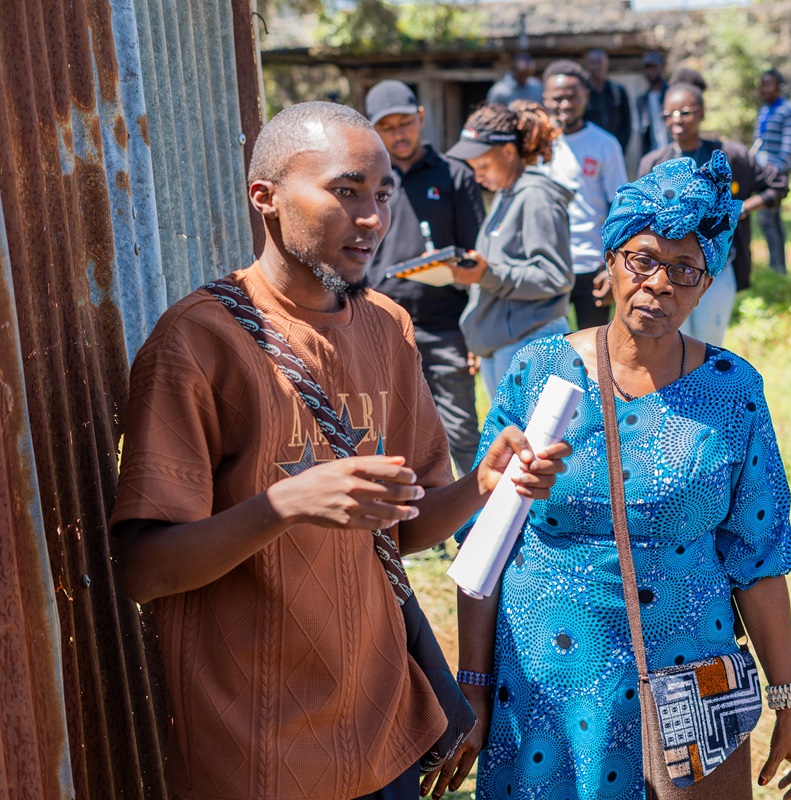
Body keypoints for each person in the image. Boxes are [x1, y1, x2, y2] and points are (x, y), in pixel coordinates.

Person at [108, 100, 570, 800]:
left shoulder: (387, 328)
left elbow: (404, 528)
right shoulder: (199, 344)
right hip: (256, 748)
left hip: (382, 730)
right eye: (345, 190)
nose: (373, 218)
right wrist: (283, 505)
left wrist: (481, 484)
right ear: (264, 196)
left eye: (382, 195)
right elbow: (144, 571)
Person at [435, 152, 791, 800]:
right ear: (609, 264)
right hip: (549, 684)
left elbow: (760, 557)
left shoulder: (734, 390)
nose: (660, 283)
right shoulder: (541, 372)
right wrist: (471, 685)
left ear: (704, 284)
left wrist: (790, 704)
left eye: (684, 269)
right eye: (642, 259)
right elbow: (485, 542)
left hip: (690, 684)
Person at [364, 80, 485, 478]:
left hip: (445, 327)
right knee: (389, 436)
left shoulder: (454, 175)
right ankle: (407, 530)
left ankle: (478, 532)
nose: (398, 135)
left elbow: (475, 257)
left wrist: (474, 329)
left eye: (405, 123)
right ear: (373, 130)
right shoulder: (366, 182)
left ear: (421, 117)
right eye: (387, 127)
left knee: (462, 433)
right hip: (382, 328)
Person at [639, 82, 788, 345]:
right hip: (668, 270)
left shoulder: (729, 155)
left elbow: (777, 185)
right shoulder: (654, 162)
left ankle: (706, 387)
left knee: (706, 345)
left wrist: (740, 209)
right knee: (670, 343)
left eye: (684, 112)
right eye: (668, 114)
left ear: (702, 113)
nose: (676, 120)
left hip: (716, 270)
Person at [445, 101, 573, 397]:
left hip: (529, 345)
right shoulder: (506, 194)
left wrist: (488, 274)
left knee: (532, 444)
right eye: (474, 168)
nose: (478, 177)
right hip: (502, 346)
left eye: (483, 165)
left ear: (508, 151)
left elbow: (555, 276)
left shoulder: (536, 196)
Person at [542, 59, 628, 329]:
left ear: (586, 97)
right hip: (546, 266)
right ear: (545, 98)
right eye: (557, 98)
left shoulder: (605, 144)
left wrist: (611, 268)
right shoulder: (536, 146)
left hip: (592, 266)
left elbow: (620, 209)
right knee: (547, 348)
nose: (564, 104)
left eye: (572, 97)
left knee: (593, 347)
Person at [752, 69, 791, 275]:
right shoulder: (765, 108)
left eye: (768, 84)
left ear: (778, 87)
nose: (763, 89)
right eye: (761, 84)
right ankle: (779, 265)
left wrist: (776, 172)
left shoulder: (787, 110)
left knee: (767, 219)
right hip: (761, 170)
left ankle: (777, 267)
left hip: (775, 174)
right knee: (772, 219)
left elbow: (788, 146)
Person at [582, 48, 632, 153]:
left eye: (599, 62)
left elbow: (626, 122)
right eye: (593, 63)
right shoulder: (582, 92)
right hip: (587, 150)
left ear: (606, 64)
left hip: (614, 150)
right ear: (586, 64)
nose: (597, 67)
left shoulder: (617, 91)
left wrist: (621, 147)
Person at [637, 51, 669, 156]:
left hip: (673, 152)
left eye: (654, 67)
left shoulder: (671, 95)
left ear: (661, 67)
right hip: (654, 154)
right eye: (648, 68)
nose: (651, 72)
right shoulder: (642, 100)